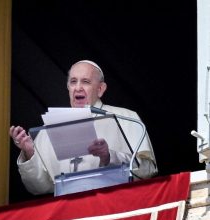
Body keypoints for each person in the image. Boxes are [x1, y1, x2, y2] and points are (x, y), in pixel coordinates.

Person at [10, 60, 158, 195]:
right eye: (73, 82)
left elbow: (147, 171)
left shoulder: (126, 117)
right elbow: (38, 188)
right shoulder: (50, 127)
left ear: (100, 89)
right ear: (68, 87)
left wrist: (109, 157)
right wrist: (29, 152)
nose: (78, 87)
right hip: (67, 213)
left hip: (113, 208)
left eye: (86, 82)